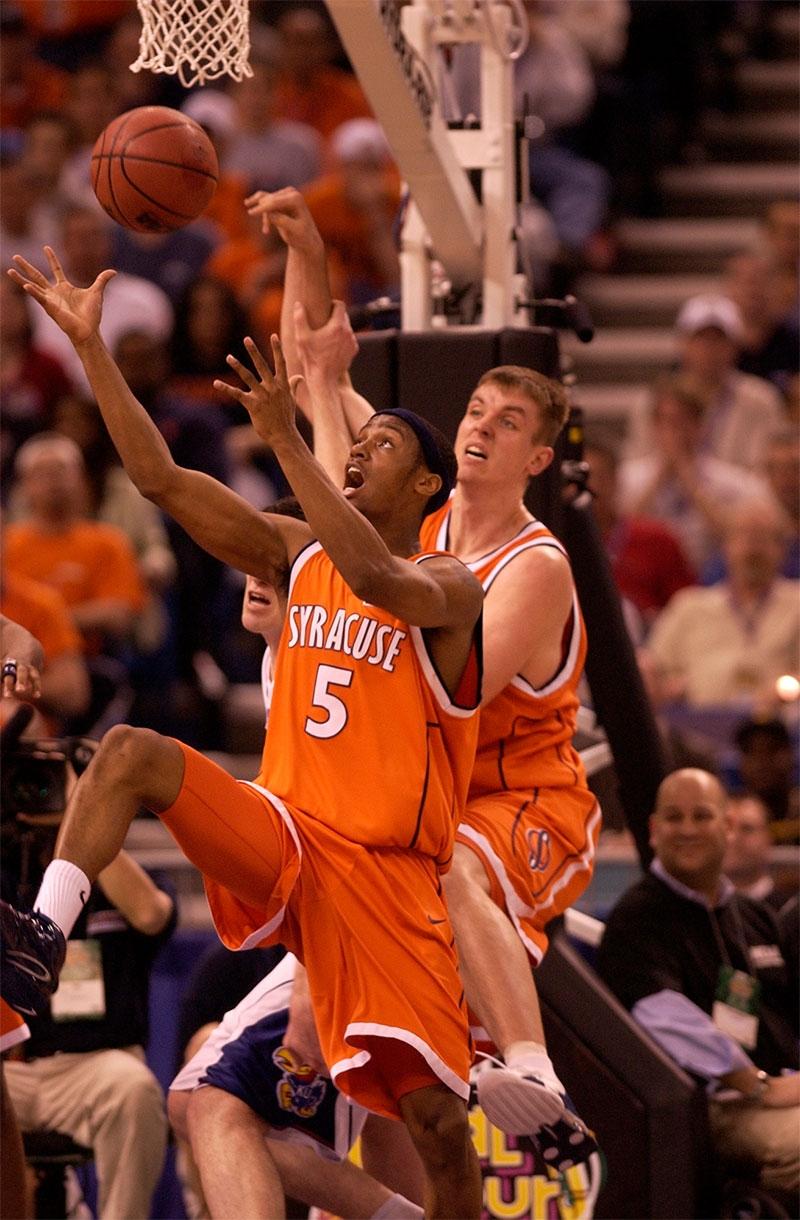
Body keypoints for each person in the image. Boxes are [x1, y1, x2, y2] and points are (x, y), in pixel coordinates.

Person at [4, 245, 485, 1218]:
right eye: (357, 443)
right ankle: (39, 935)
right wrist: (93, 350)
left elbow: (376, 579)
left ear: (431, 485)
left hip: (386, 874)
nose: (358, 452)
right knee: (132, 752)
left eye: (381, 446)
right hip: (289, 829)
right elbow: (159, 478)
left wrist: (289, 444)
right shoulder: (291, 546)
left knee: (432, 1119)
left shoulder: (449, 584)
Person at [246, 187, 602, 1154]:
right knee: (358, 1019)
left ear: (537, 456)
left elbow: (461, 691)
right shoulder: (423, 513)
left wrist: (355, 566)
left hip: (521, 794)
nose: (484, 422)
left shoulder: (535, 563)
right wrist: (308, 245)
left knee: (448, 870)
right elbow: (318, 372)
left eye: (510, 418)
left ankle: (531, 1065)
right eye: (479, 407)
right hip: (428, 789)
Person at [597, 768, 799, 1200]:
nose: (687, 830)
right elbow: (663, 1019)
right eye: (674, 817)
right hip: (710, 1108)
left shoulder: (755, 916)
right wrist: (758, 1085)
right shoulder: (638, 917)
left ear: (727, 827)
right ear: (653, 830)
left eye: (701, 816)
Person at [2, 772, 176, 1220]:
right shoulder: (13, 874)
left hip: (99, 1069)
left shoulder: (129, 880)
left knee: (135, 1090)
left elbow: (152, 914)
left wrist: (81, 817)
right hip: (20, 1070)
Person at [643, 498, 799, 709]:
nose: (753, 550)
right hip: (696, 728)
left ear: (782, 549)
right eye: (744, 537)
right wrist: (657, 682)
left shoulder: (796, 603)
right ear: (726, 545)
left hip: (780, 729)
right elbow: (652, 665)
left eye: (763, 538)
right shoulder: (689, 606)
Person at [583, 430, 696, 628]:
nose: (591, 487)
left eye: (598, 476)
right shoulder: (555, 541)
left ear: (616, 480)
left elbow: (688, 607)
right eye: (583, 478)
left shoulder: (657, 539)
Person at [673, 293, 784, 472]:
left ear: (735, 346)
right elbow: (637, 470)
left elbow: (766, 471)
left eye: (719, 339)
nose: (709, 348)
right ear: (683, 343)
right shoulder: (656, 401)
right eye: (701, 338)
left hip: (742, 497)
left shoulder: (762, 400)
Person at [723, 793, 798, 910]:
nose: (732, 838)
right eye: (726, 828)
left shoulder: (790, 910)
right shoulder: (698, 908)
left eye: (746, 828)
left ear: (769, 838)